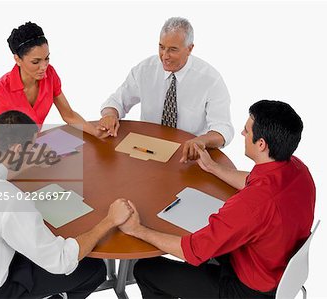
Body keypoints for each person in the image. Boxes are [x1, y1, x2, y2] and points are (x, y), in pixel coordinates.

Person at [116, 100, 315, 298]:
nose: (242, 134)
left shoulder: (253, 204)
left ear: (261, 144)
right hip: (274, 265)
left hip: (247, 289)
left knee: (146, 270)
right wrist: (213, 167)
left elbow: (192, 251)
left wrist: (137, 230)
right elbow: (253, 181)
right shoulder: (297, 169)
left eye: (247, 131)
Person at [0, 110, 133, 298]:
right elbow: (61, 260)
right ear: (17, 149)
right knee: (93, 269)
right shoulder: (9, 200)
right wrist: (109, 220)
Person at [99, 17, 234, 162]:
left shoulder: (211, 80)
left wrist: (201, 141)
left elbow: (223, 130)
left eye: (172, 50)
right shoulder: (145, 69)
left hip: (187, 156)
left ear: (190, 49)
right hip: (147, 151)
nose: (164, 56)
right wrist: (110, 115)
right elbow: (115, 102)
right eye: (161, 47)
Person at [0, 22, 108, 138]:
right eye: (36, 62)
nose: (44, 67)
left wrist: (95, 132)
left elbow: (68, 115)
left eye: (47, 58)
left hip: (35, 145)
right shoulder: (0, 91)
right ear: (18, 59)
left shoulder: (49, 74)